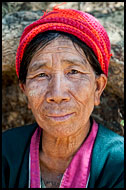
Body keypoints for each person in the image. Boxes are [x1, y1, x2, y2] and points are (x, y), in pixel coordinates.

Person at [2, 6, 124, 188]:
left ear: (98, 88)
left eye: (73, 72)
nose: (57, 94)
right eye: (41, 75)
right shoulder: (5, 152)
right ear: (25, 90)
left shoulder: (119, 163)